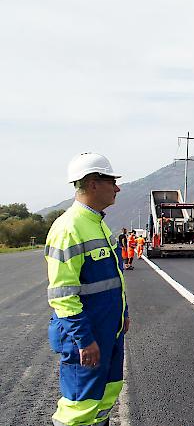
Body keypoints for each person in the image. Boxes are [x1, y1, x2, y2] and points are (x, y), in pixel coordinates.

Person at [45, 152, 129, 426]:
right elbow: (63, 294)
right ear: (93, 183)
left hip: (109, 331)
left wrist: (123, 314)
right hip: (87, 336)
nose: (117, 188)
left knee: (104, 398)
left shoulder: (98, 224)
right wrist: (84, 339)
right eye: (112, 181)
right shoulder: (69, 228)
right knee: (79, 407)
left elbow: (113, 277)